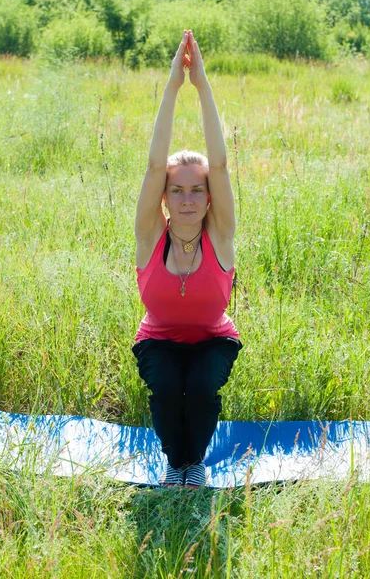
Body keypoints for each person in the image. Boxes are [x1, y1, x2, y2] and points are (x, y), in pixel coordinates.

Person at [132, 29, 242, 488]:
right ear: (165, 196)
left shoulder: (220, 234)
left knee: (198, 388)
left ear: (209, 196)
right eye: (177, 189)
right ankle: (175, 462)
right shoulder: (150, 235)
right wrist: (172, 86)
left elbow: (218, 164)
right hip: (158, 338)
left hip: (213, 338)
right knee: (164, 389)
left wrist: (202, 86)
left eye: (197, 190)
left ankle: (190, 463)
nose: (188, 197)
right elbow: (155, 165)